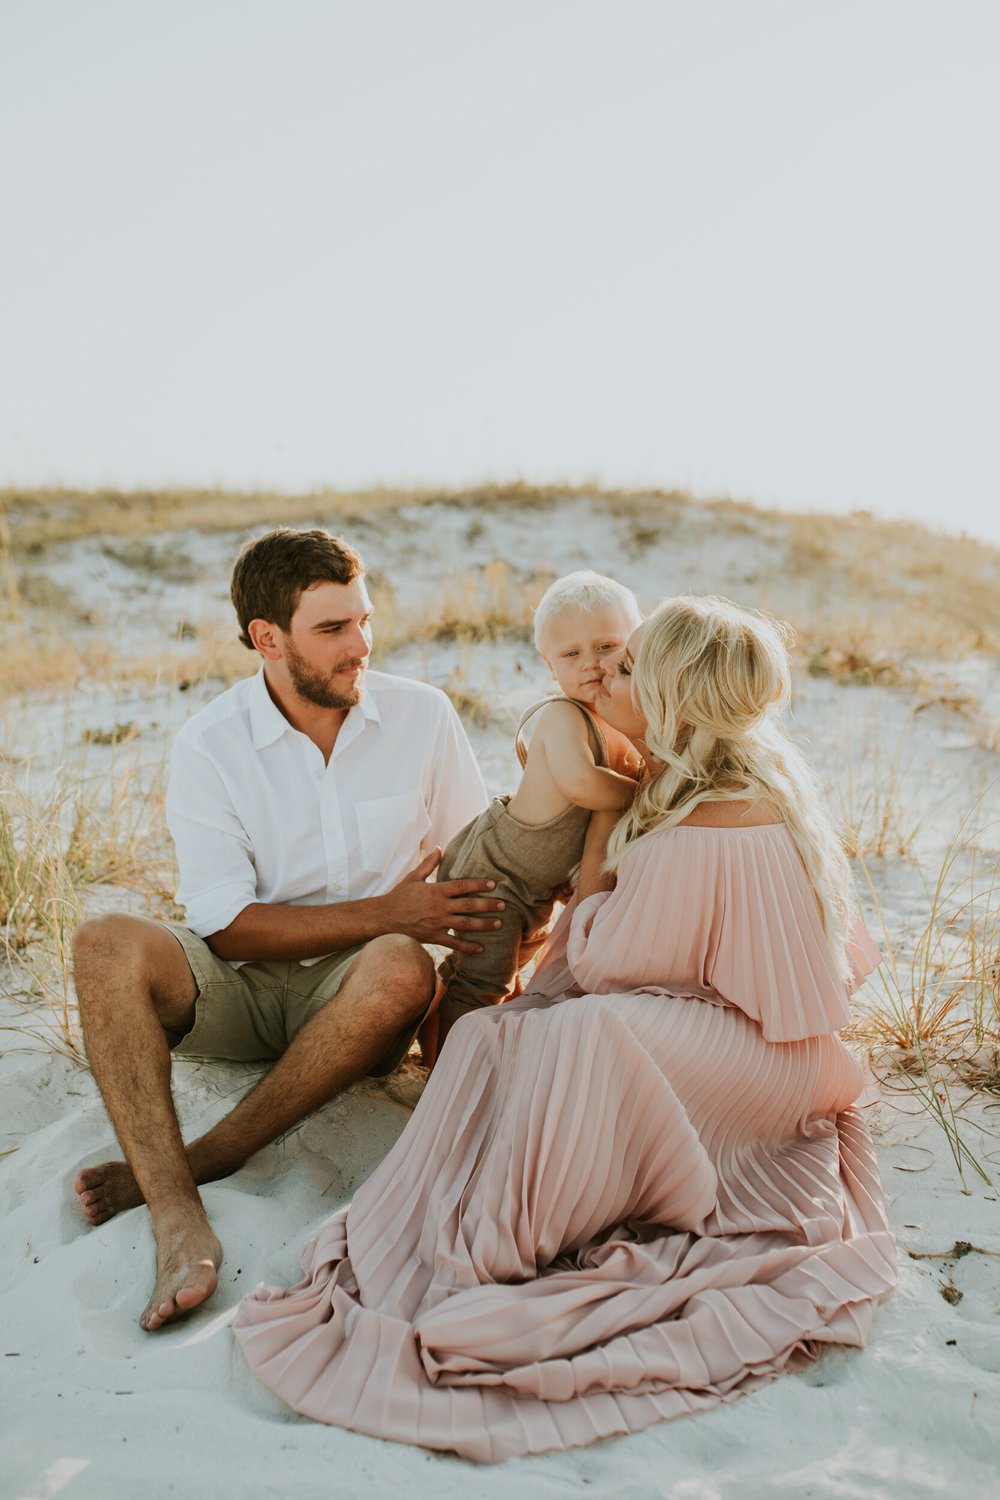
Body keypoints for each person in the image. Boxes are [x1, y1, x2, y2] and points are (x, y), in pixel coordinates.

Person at [233, 593, 898, 1462]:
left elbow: (610, 962)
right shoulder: (759, 775)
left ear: (672, 697)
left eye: (627, 667)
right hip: (761, 1036)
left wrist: (596, 861)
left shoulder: (698, 818)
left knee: (584, 1037)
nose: (606, 677)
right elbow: (848, 954)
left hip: (759, 1064)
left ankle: (510, 1230)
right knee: (490, 1038)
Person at [71, 528, 499, 1333]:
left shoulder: (422, 718)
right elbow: (226, 930)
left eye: (365, 621)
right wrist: (386, 909)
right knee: (104, 941)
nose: (360, 646)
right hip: (240, 989)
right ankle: (177, 1217)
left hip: (362, 1001)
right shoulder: (211, 744)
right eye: (333, 630)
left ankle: (209, 1158)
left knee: (403, 962)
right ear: (267, 639)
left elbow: (474, 875)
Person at [432, 571, 644, 1052]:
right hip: (496, 876)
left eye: (606, 646)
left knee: (489, 970)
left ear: (636, 646)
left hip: (535, 888)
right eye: (571, 655)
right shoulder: (562, 716)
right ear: (550, 667)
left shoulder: (621, 722)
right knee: (482, 982)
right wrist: (643, 794)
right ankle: (444, 1073)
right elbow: (582, 785)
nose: (590, 664)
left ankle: (429, 1029)